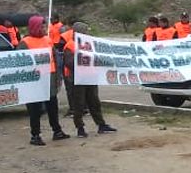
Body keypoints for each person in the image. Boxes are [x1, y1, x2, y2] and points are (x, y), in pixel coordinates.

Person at [18, 16, 70, 145]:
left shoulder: (48, 40)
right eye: (41, 26)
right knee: (34, 109)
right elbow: (20, 63)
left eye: (44, 26)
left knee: (53, 106)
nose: (43, 28)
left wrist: (58, 76)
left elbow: (54, 58)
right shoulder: (25, 42)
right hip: (34, 80)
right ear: (34, 27)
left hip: (49, 77)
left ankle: (57, 131)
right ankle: (35, 135)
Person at [63, 22, 118, 138]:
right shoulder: (70, 45)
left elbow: (96, 58)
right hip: (78, 79)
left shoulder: (89, 44)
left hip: (91, 77)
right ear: (79, 32)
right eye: (86, 31)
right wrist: (82, 60)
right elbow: (68, 63)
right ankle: (80, 128)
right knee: (79, 104)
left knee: (94, 102)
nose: (88, 33)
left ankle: (101, 125)